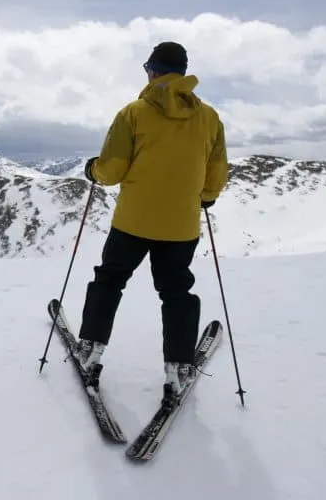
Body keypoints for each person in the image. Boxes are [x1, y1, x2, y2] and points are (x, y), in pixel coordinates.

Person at [73, 41, 229, 407]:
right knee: (176, 292)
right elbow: (218, 171)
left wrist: (92, 170)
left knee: (109, 280)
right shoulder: (209, 118)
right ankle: (179, 366)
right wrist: (206, 195)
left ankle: (90, 348)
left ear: (153, 71)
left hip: (132, 222)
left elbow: (111, 171)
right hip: (181, 226)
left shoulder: (133, 113)